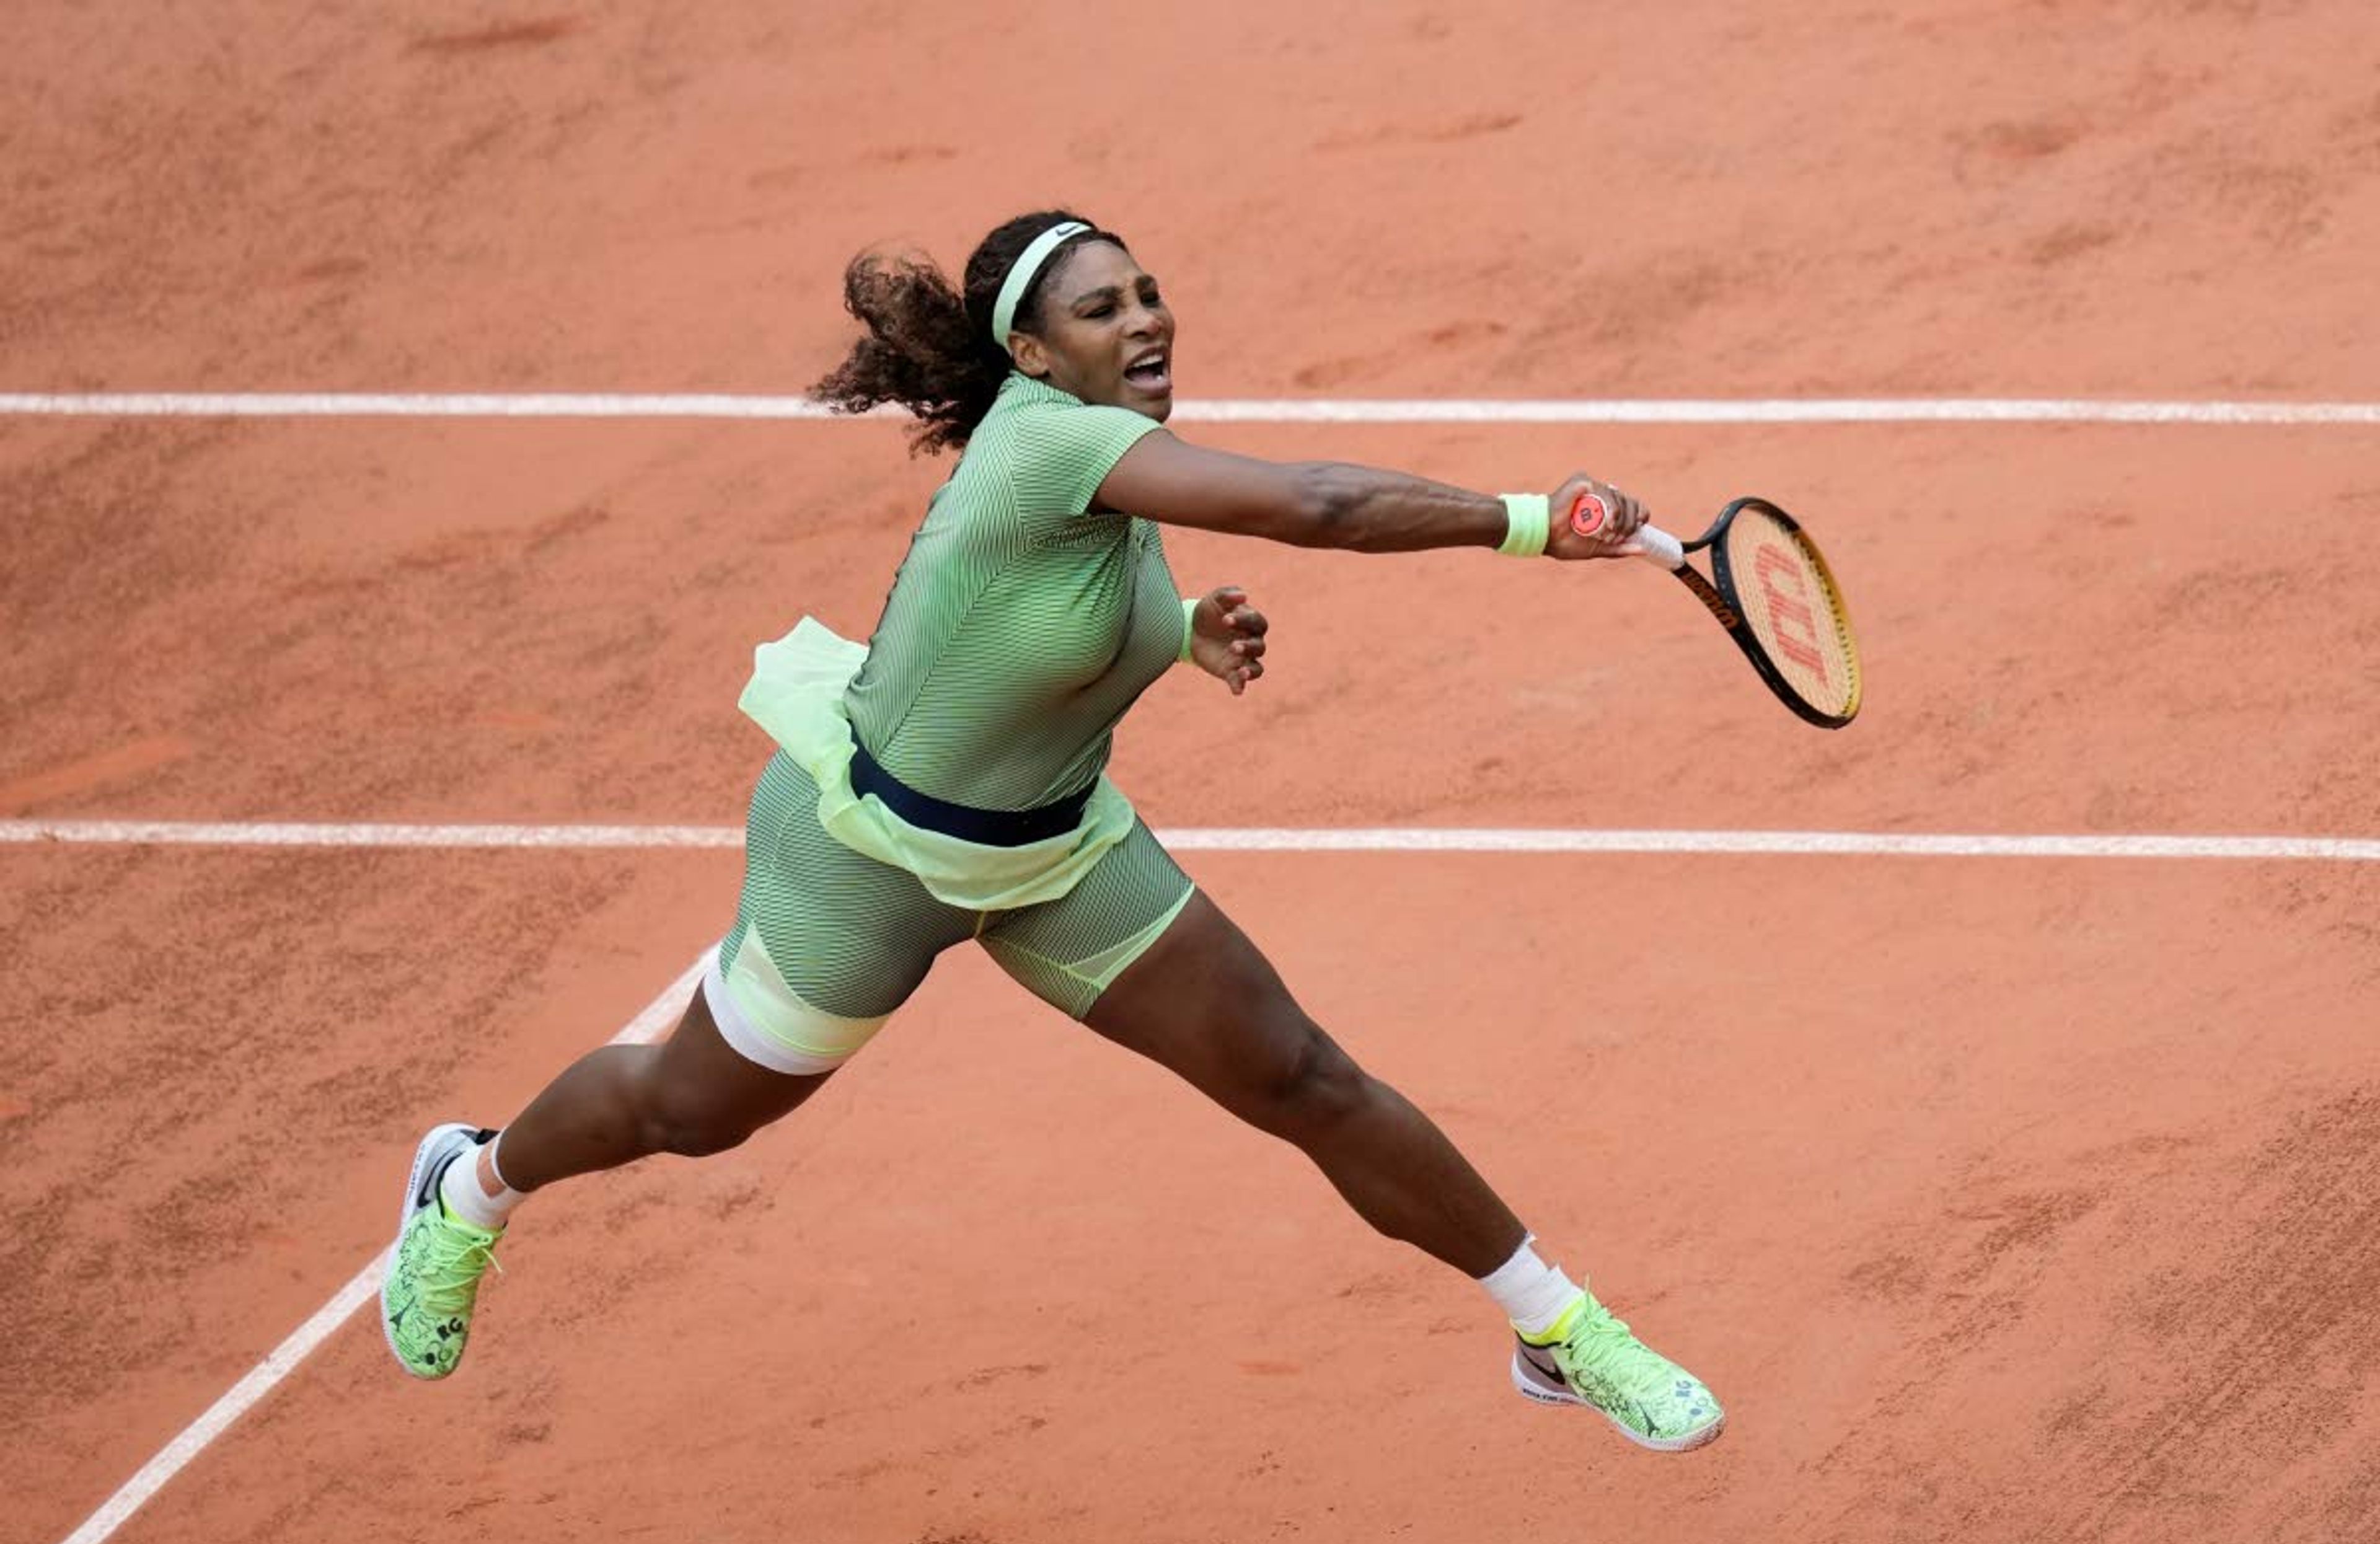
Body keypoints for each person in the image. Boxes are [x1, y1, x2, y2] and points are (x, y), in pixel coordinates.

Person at [381, 210, 1724, 1453]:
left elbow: (1061, 622)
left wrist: (1182, 640)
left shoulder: (1120, 463)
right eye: (1101, 310)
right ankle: (472, 1185)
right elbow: (1317, 504)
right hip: (872, 864)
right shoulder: (1045, 442)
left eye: (1147, 294)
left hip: (1058, 856)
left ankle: (1556, 1330)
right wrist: (1537, 522)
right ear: (1030, 352)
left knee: (1301, 1076)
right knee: (688, 1111)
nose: (1144, 321)